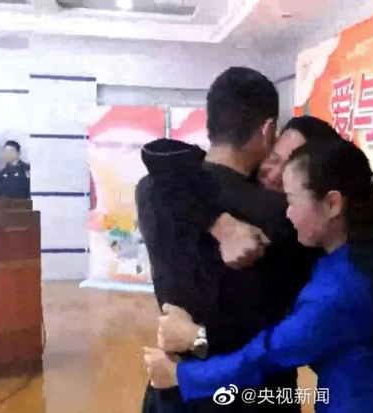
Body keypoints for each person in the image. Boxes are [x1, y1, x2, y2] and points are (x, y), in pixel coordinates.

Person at [145, 137, 373, 413]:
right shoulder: (371, 254)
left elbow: (267, 356)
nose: (287, 214)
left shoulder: (341, 290)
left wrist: (181, 373)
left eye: (291, 200)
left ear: (332, 203)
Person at [136, 68, 321, 413]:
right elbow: (296, 325)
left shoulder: (153, 192)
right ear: (267, 130)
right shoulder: (282, 215)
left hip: (174, 388)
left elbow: (162, 164)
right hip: (257, 395)